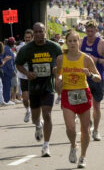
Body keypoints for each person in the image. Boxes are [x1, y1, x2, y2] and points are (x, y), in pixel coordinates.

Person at [15, 22, 62, 157]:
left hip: (48, 86)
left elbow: (61, 61)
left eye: (41, 31)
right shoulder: (27, 49)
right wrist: (27, 73)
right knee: (35, 118)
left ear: (45, 32)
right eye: (36, 32)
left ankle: (46, 145)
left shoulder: (54, 47)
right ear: (33, 34)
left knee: (47, 114)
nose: (38, 34)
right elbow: (18, 64)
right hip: (34, 87)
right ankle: (37, 125)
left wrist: (57, 71)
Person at [56, 30, 101, 168]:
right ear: (66, 43)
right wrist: (58, 83)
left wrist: (91, 75)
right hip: (67, 95)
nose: (73, 43)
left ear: (79, 42)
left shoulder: (86, 58)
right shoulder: (61, 59)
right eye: (70, 41)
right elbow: (57, 77)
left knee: (85, 129)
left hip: (83, 94)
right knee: (70, 128)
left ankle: (83, 156)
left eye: (75, 41)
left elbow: (98, 77)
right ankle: (73, 145)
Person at [80, 20, 104, 141]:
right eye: (87, 31)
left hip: (98, 77)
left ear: (96, 31)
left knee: (96, 106)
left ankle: (96, 130)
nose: (89, 34)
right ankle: (88, 122)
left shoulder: (102, 43)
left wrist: (97, 60)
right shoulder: (81, 42)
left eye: (92, 31)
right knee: (84, 105)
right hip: (83, 77)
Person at [16, 29, 34, 122]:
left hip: (34, 76)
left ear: (32, 38)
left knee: (34, 97)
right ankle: (28, 110)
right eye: (26, 38)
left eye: (29, 38)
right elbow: (17, 62)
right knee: (25, 98)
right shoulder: (20, 48)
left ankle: (37, 115)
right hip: (23, 75)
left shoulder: (36, 48)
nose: (27, 39)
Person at [0, 42, 12, 106]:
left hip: (3, 71)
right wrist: (5, 59)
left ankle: (2, 101)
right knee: (1, 87)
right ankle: (3, 101)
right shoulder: (7, 49)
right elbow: (1, 64)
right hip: (5, 71)